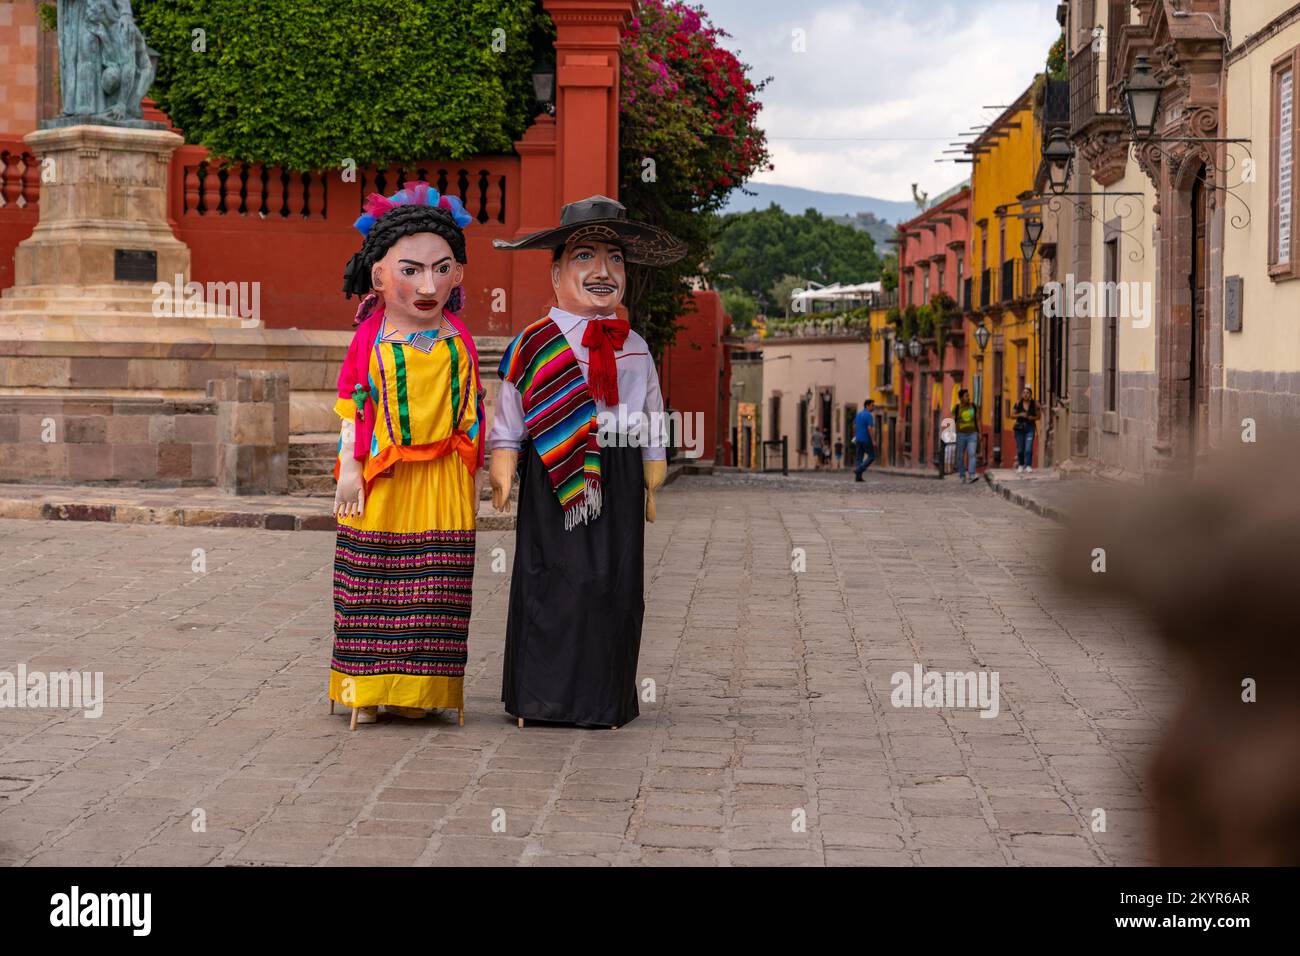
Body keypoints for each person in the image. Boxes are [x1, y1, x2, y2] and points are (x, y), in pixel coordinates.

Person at [488, 195, 685, 729]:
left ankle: (604, 699)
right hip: (556, 472)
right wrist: (503, 460)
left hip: (618, 475)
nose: (603, 272)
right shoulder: (532, 345)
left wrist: (652, 464)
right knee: (554, 579)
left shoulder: (637, 346)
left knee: (612, 583)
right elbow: (510, 412)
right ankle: (540, 698)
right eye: (585, 257)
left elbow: (651, 410)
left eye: (615, 259)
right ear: (556, 275)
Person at [328, 182, 485, 730]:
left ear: (458, 276)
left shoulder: (457, 340)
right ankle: (366, 691)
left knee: (438, 587)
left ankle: (426, 690)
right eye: (411, 270)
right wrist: (349, 469)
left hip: (442, 478)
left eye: (442, 270)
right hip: (382, 476)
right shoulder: (369, 339)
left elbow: (471, 413)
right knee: (373, 581)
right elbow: (352, 404)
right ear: (378, 276)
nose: (428, 285)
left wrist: (475, 474)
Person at [953, 388, 979, 484]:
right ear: (961, 398)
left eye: (969, 395)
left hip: (972, 434)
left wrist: (979, 432)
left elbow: (977, 419)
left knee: (972, 454)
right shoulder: (956, 408)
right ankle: (962, 475)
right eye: (966, 396)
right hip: (961, 435)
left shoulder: (973, 406)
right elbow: (953, 421)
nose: (969, 397)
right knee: (960, 456)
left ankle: (971, 474)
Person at [1013, 386, 1039, 473]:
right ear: (1021, 394)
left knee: (1028, 448)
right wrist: (1020, 414)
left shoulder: (1034, 404)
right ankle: (1021, 465)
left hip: (1030, 428)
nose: (1025, 394)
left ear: (1030, 395)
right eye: (1024, 393)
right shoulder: (1018, 403)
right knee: (1020, 449)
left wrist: (1033, 418)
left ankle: (1028, 465)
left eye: (1027, 393)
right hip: (1019, 428)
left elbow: (1038, 416)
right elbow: (1012, 415)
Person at [853, 399, 876, 482]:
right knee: (871, 456)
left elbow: (854, 426)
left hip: (858, 439)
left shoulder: (858, 414)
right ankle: (859, 469)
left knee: (859, 457)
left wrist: (855, 436)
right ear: (867, 406)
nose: (873, 407)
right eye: (872, 405)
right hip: (866, 439)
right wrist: (873, 440)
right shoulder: (869, 415)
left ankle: (858, 477)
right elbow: (870, 428)